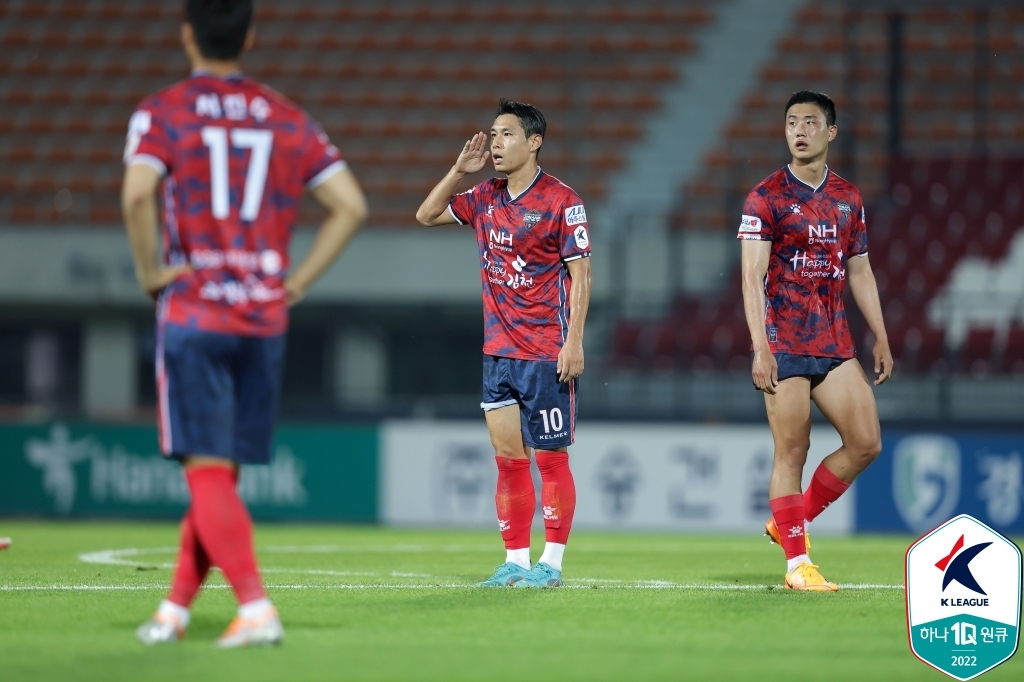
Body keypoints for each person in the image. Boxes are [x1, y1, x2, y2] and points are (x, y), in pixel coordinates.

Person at [122, 0, 367, 645]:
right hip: (263, 317)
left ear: (185, 35)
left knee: (205, 473)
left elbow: (138, 192)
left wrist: (150, 270)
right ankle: (175, 609)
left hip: (197, 310)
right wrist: (298, 282)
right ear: (250, 37)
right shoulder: (287, 118)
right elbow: (349, 205)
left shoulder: (163, 112)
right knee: (218, 475)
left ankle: (256, 608)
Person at [416, 99, 592, 589]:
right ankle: (515, 559)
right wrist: (457, 170)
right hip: (497, 352)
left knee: (550, 459)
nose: (495, 144)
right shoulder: (483, 196)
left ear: (534, 142)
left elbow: (582, 275)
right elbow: (426, 214)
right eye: (492, 135)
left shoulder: (562, 200)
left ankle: (551, 565)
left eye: (506, 135)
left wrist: (573, 342)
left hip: (545, 352)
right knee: (508, 458)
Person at [738, 90, 891, 591]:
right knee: (792, 451)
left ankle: (791, 517)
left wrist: (881, 337)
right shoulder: (766, 196)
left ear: (831, 132)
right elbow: (751, 277)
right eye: (791, 123)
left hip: (833, 340)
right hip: (783, 341)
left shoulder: (848, 197)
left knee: (866, 442)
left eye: (809, 122)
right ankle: (798, 567)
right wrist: (760, 346)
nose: (799, 130)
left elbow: (861, 270)